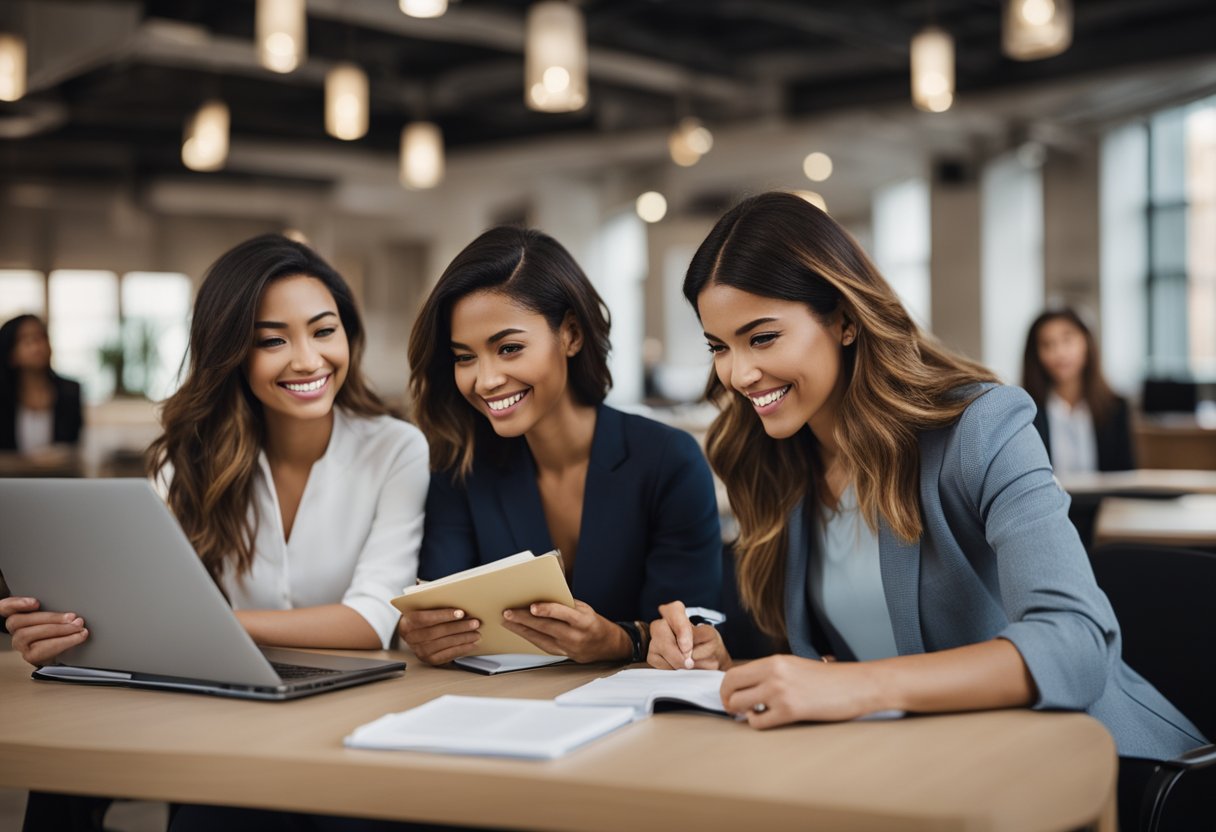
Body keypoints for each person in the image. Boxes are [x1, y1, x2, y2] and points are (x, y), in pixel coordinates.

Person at [645, 192, 1205, 828]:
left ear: (845, 320)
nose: (740, 373)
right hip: (917, 769)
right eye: (719, 346)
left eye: (763, 337)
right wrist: (713, 653)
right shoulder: (776, 459)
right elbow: (803, 642)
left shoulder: (982, 426)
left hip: (1093, 776)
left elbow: (1076, 643)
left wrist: (861, 685)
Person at [1, 235, 429, 832]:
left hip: (360, 709)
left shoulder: (397, 448)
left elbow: (370, 618)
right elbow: (136, 606)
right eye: (271, 340)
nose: (307, 360)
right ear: (230, 352)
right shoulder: (184, 460)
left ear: (347, 336)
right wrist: (64, 631)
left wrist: (197, 622)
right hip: (226, 708)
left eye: (323, 331)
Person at [400, 226, 721, 666]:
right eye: (464, 357)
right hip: (503, 711)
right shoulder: (461, 465)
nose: (485, 379)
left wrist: (621, 640)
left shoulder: (668, 461)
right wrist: (428, 635)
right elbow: (447, 611)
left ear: (570, 334)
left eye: (509, 348)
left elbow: (693, 628)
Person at [1021, 307, 1134, 475]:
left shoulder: (1115, 407)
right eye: (1047, 345)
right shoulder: (1026, 412)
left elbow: (1125, 477)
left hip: (1105, 501)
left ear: (1086, 343)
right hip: (1048, 501)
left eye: (1067, 340)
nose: (1059, 352)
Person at [0, 314, 83, 454]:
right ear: (10, 351)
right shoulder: (3, 394)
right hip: (9, 475)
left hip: (57, 474)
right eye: (26, 340)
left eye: (41, 337)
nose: (37, 346)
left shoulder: (70, 391)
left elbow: (73, 448)